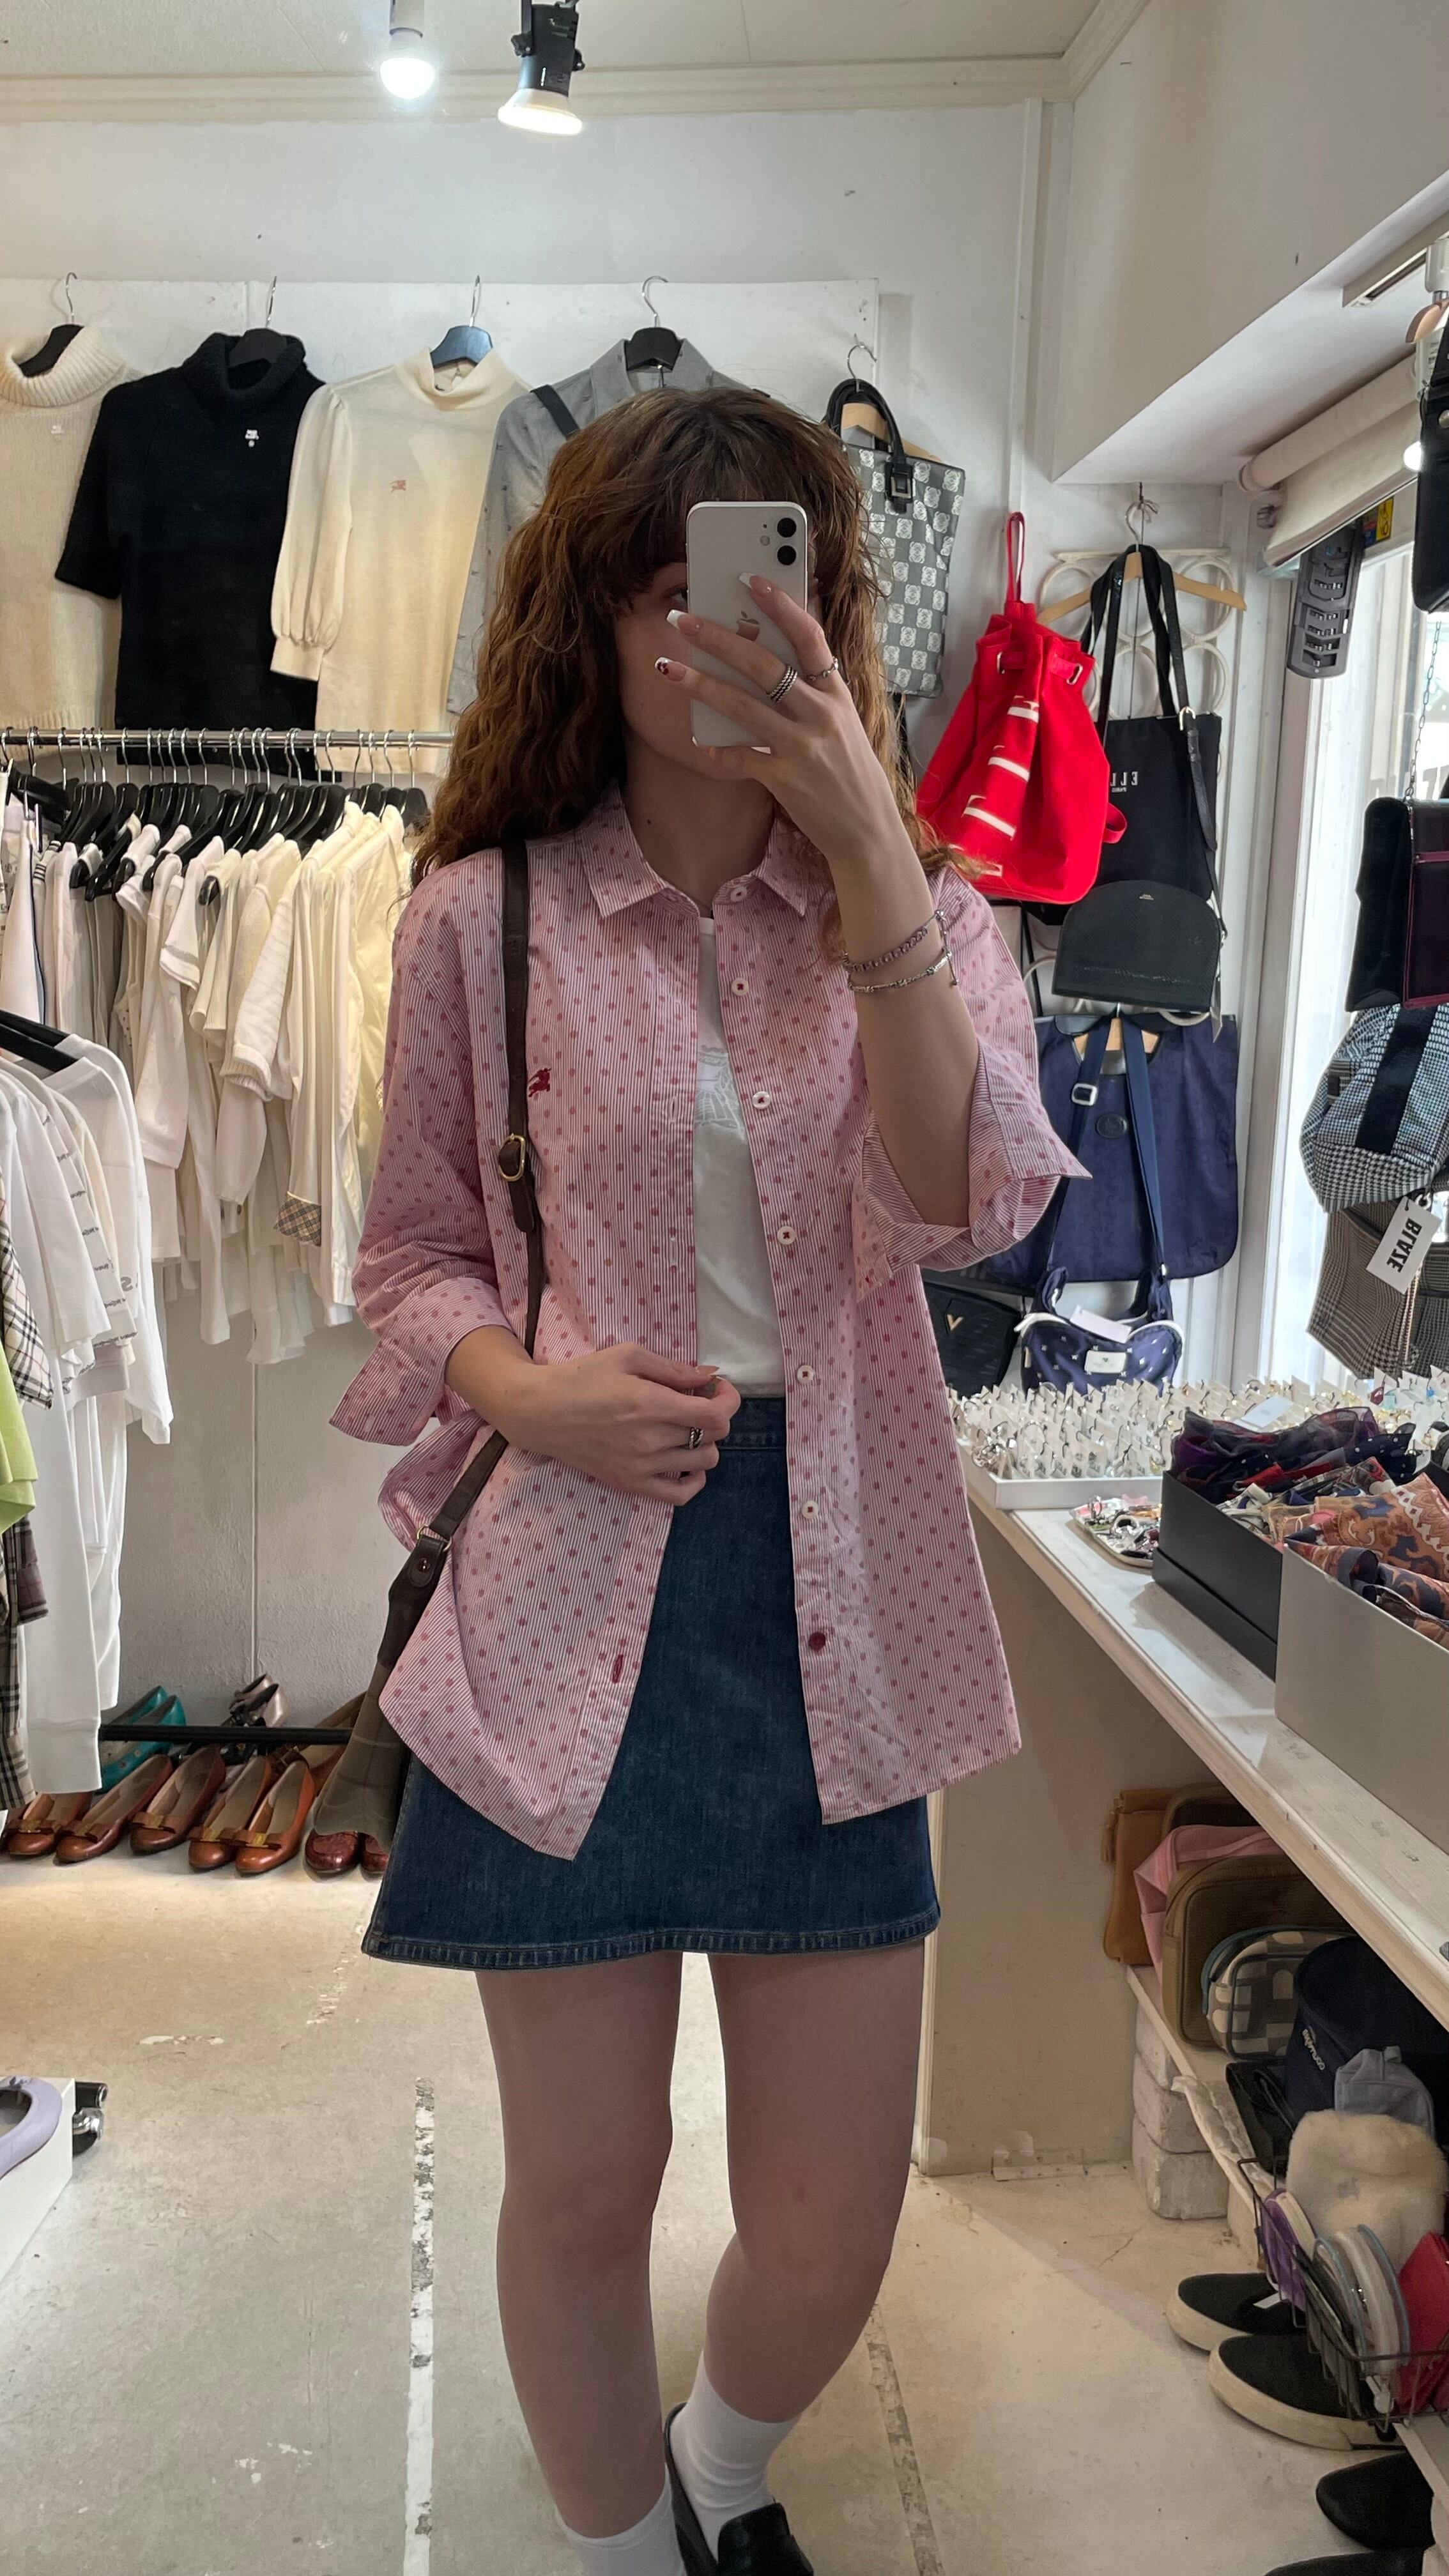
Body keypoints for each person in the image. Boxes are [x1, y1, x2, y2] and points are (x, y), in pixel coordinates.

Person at [333, 388, 1077, 2576]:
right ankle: (620, 2554)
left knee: (831, 2217)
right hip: (564, 1568)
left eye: (761, 585)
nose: (713, 635)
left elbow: (960, 1205)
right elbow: (406, 1260)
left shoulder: (926, 916)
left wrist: (869, 860)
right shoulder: (479, 918)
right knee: (582, 2187)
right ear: (592, 618)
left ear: (830, 613)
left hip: (842, 1578)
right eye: (665, 591)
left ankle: (723, 2472)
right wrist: (530, 1393)